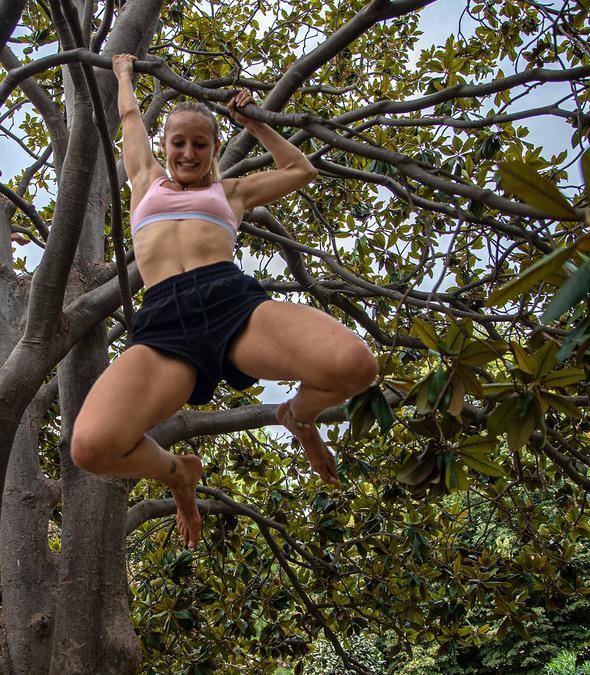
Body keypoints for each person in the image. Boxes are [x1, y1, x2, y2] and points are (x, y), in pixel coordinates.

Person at [70, 55, 378, 548]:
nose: (188, 153)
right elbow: (129, 119)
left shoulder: (230, 191)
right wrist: (124, 75)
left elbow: (300, 170)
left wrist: (255, 124)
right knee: (90, 447)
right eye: (179, 142)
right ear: (164, 146)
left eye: (200, 143)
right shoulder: (145, 181)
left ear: (214, 149)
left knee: (356, 366)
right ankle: (177, 473)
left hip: (230, 303)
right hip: (164, 323)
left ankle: (297, 416)